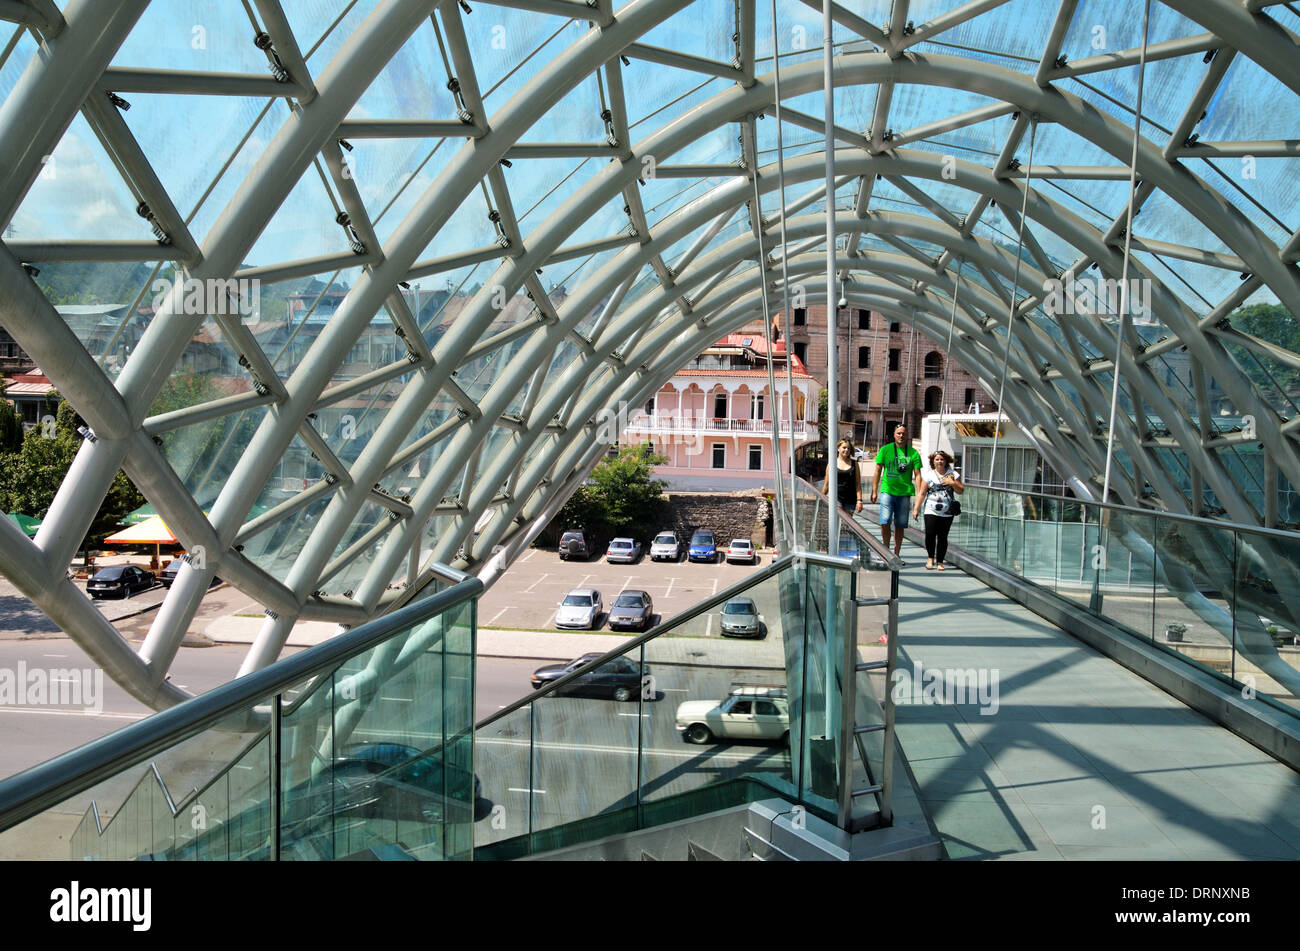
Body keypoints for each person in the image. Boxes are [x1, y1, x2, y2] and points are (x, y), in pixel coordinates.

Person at [870, 424, 924, 564]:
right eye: (898, 433)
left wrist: (919, 493)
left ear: (907, 435)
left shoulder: (913, 453)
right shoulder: (885, 450)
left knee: (900, 525)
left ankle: (897, 554)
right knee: (885, 521)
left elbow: (918, 475)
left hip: (904, 493)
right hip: (888, 491)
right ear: (894, 435)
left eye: (903, 433)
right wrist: (874, 490)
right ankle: (886, 551)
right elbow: (877, 471)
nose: (901, 435)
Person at [913, 450, 964, 570]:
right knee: (930, 534)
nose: (939, 461)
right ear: (933, 462)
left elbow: (961, 490)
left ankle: (940, 562)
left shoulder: (953, 474)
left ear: (945, 461)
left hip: (947, 511)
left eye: (941, 459)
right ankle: (930, 558)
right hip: (931, 510)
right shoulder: (929, 475)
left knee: (942, 536)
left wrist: (952, 483)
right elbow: (922, 493)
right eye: (937, 459)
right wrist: (916, 508)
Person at [822, 438, 863, 516]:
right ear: (838, 448)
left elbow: (858, 484)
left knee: (846, 524)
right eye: (844, 447)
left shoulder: (854, 464)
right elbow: (827, 484)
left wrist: (859, 501)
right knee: (839, 518)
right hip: (836, 498)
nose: (846, 450)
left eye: (848, 448)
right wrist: (821, 498)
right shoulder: (832, 463)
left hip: (851, 499)